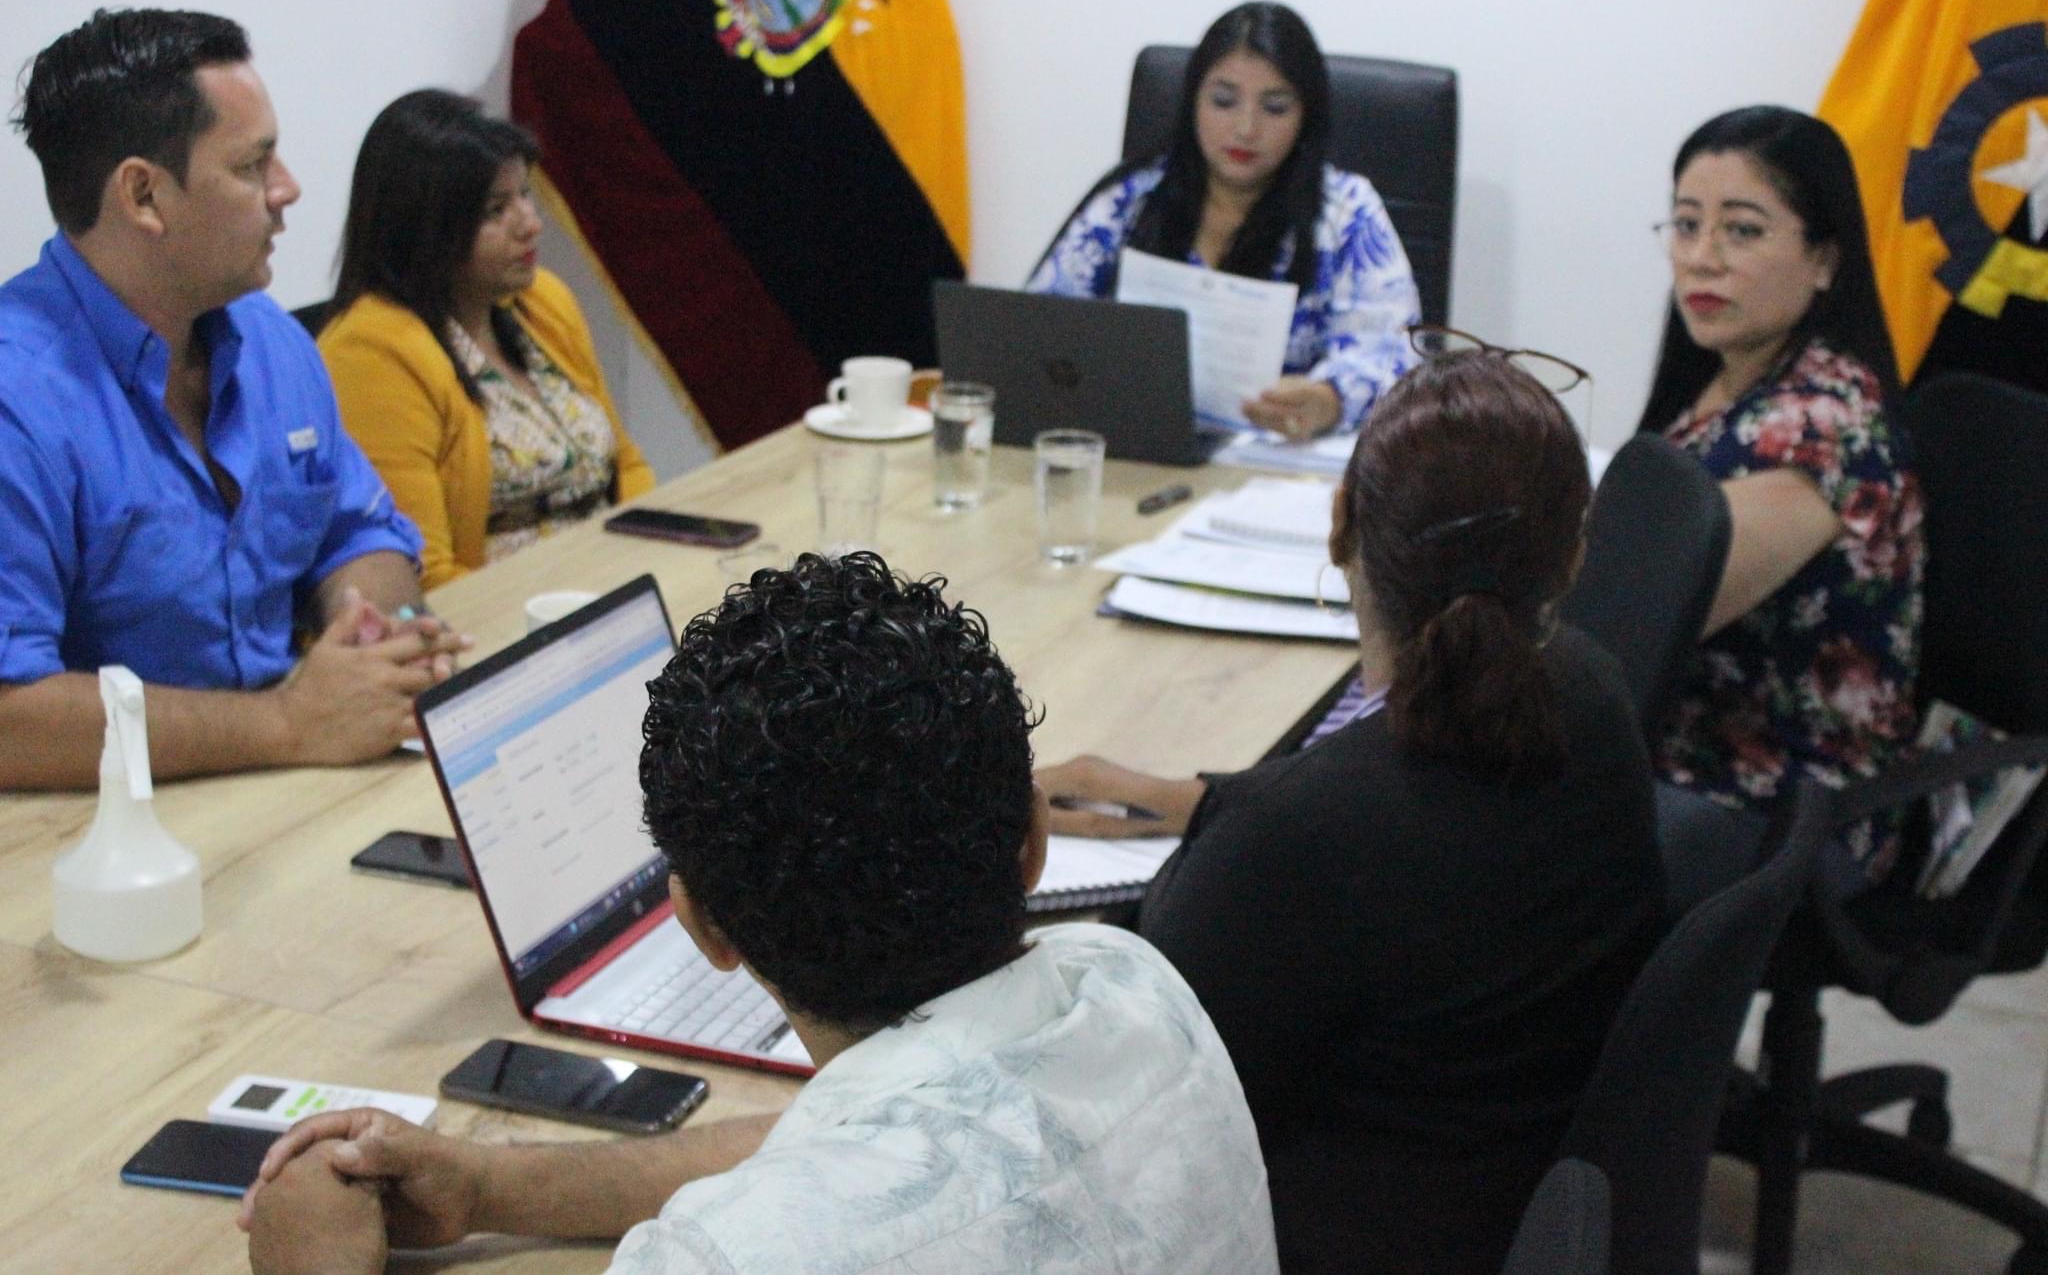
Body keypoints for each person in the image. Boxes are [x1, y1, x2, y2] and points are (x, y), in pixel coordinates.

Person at [240, 552, 1278, 1274]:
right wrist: (486, 1187)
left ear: (705, 929)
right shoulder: (1132, 988)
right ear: (1033, 841)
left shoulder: (732, 1258)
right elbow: (855, 1145)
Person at [1038, 350, 1665, 1273]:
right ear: (1573, 553)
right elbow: (1415, 843)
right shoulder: (1595, 697)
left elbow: (1109, 1118)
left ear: (1339, 526)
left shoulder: (1299, 841)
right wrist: (1209, 802)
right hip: (1488, 1197)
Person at [0, 9, 461, 790]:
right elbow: (10, 717)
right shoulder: (19, 399)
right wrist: (287, 725)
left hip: (292, 778)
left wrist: (382, 640)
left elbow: (354, 530)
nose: (288, 189)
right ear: (144, 195)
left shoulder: (267, 336)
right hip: (108, 827)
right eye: (252, 166)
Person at [1641, 106, 1924, 896]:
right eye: (1686, 224)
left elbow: (1643, 617)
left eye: (1742, 230)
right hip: (1683, 761)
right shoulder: (1729, 379)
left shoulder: (1821, 426)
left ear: (1824, 260)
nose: (1701, 257)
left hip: (1784, 813)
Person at [1026, 0, 1420, 438]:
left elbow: (1397, 357)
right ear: (1192, 100)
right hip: (1139, 450)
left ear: (1306, 115)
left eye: (1275, 108)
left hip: (1279, 461)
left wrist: (1328, 399)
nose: (1246, 128)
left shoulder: (1347, 213)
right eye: (1223, 101)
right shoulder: (1131, 199)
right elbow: (1039, 326)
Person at [318, 89, 653, 590]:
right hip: (507, 617)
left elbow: (625, 465)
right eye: (496, 210)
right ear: (424, 226)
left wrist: (657, 562)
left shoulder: (542, 301)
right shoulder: (371, 352)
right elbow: (422, 575)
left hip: (618, 584)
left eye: (524, 195)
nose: (531, 224)